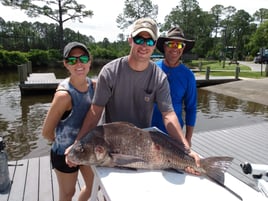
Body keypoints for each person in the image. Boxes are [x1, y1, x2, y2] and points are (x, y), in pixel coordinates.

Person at [66, 18, 200, 174]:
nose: (144, 45)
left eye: (149, 41)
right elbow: (95, 111)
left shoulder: (159, 77)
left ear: (155, 45)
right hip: (111, 146)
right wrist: (77, 143)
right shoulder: (109, 72)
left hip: (143, 149)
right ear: (130, 40)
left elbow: (169, 114)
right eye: (139, 39)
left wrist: (186, 148)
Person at [42, 42, 94, 201]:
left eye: (83, 58)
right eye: (72, 60)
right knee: (67, 194)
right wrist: (65, 147)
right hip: (64, 153)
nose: (79, 63)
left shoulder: (94, 85)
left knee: (93, 187)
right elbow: (46, 132)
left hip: (85, 148)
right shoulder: (64, 96)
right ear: (66, 64)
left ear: (89, 61)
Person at [151, 27, 197, 147]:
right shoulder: (151, 69)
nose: (175, 48)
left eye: (180, 45)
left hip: (174, 136)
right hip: (148, 132)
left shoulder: (188, 76)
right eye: (171, 44)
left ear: (183, 49)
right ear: (164, 47)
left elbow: (191, 108)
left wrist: (188, 139)